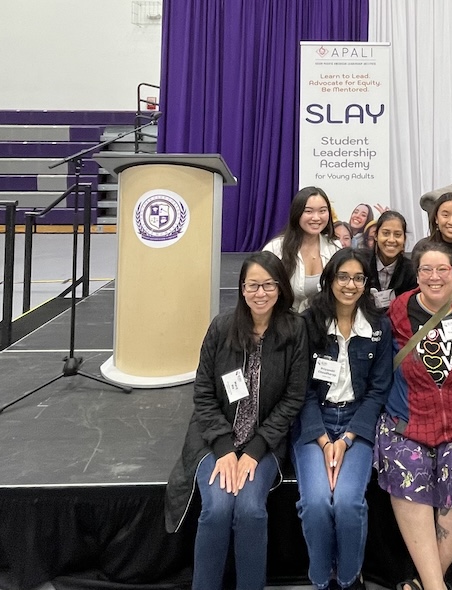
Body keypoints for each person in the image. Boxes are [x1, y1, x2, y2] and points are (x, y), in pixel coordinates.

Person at [164, 251, 309, 590]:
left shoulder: (295, 330)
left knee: (250, 511)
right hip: (214, 440)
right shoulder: (222, 326)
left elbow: (293, 399)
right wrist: (225, 448)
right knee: (216, 510)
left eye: (268, 285)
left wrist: (255, 449)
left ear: (280, 288)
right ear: (242, 289)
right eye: (252, 285)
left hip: (265, 443)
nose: (261, 293)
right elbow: (202, 392)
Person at [374, 241, 452, 590]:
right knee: (407, 466)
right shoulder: (398, 311)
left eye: (442, 269)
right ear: (416, 276)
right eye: (426, 270)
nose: (434, 276)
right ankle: (435, 586)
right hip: (408, 420)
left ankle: (425, 584)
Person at [292, 248, 393, 590]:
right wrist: (323, 441)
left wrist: (347, 439)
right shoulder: (307, 324)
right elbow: (300, 390)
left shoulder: (380, 326)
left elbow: (378, 391)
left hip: (357, 424)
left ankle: (349, 578)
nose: (350, 285)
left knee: (349, 503)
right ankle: (322, 580)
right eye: (343, 277)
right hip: (315, 422)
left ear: (367, 283)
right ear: (329, 280)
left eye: (358, 278)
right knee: (317, 503)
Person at [263, 187, 341, 312]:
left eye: (322, 211)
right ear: (297, 213)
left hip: (322, 322)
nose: (316, 218)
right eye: (309, 211)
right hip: (284, 323)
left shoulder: (335, 247)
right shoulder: (275, 248)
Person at [365, 210, 417, 308]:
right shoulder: (362, 263)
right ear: (376, 236)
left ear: (404, 239)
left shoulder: (412, 271)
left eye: (397, 234)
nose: (391, 240)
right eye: (386, 233)